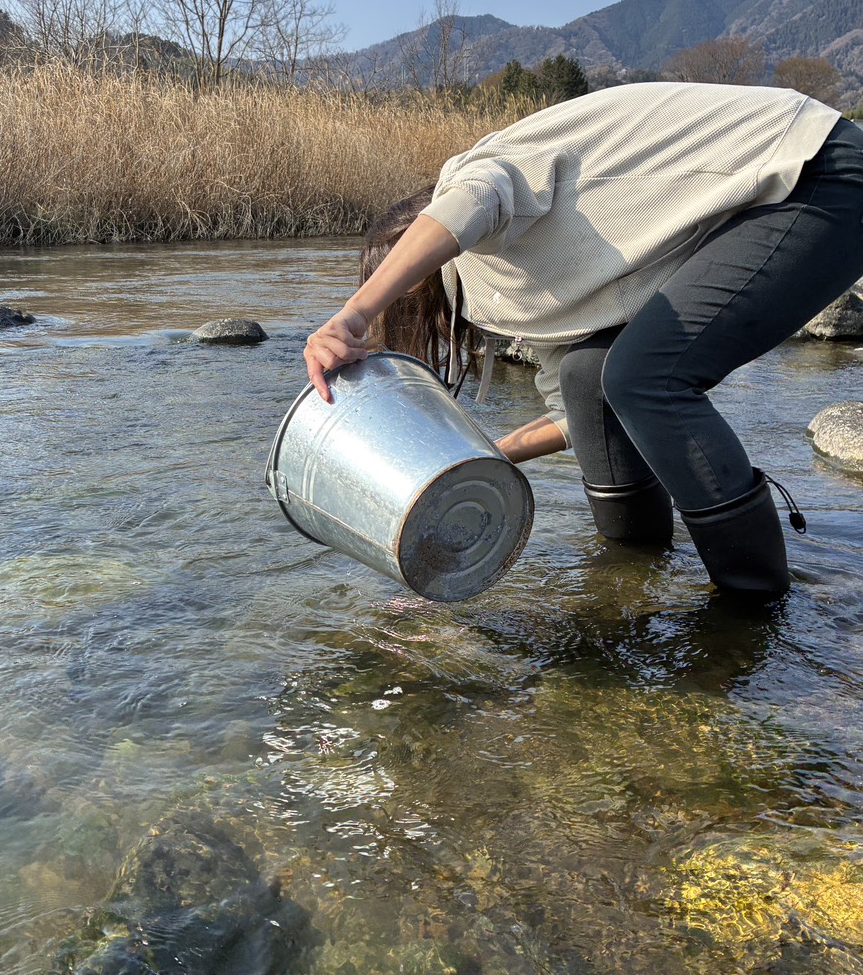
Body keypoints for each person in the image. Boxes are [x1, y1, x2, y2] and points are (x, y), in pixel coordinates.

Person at [303, 82, 863, 599]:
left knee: (647, 378)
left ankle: (754, 605)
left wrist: (354, 312)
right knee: (588, 377)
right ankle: (634, 572)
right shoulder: (517, 299)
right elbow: (573, 414)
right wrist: (483, 461)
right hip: (769, 197)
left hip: (814, 170)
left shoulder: (477, 197)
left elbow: (468, 203)